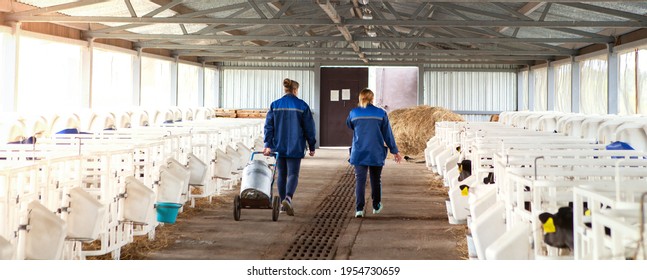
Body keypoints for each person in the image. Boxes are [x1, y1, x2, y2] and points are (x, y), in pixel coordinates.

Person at [263, 78, 316, 216]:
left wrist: (268, 145)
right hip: (295, 145)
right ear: (295, 90)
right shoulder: (302, 105)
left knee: (282, 174)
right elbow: (309, 127)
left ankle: (282, 204)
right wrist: (312, 146)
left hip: (278, 145)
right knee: (293, 174)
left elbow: (269, 127)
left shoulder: (275, 105)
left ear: (285, 90)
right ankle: (288, 198)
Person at [346, 88, 402, 218]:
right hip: (375, 152)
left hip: (359, 151)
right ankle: (376, 206)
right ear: (372, 98)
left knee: (360, 180)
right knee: (376, 180)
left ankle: (359, 209)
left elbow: (349, 125)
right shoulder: (381, 113)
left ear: (360, 98)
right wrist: (395, 151)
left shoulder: (354, 113)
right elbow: (387, 134)